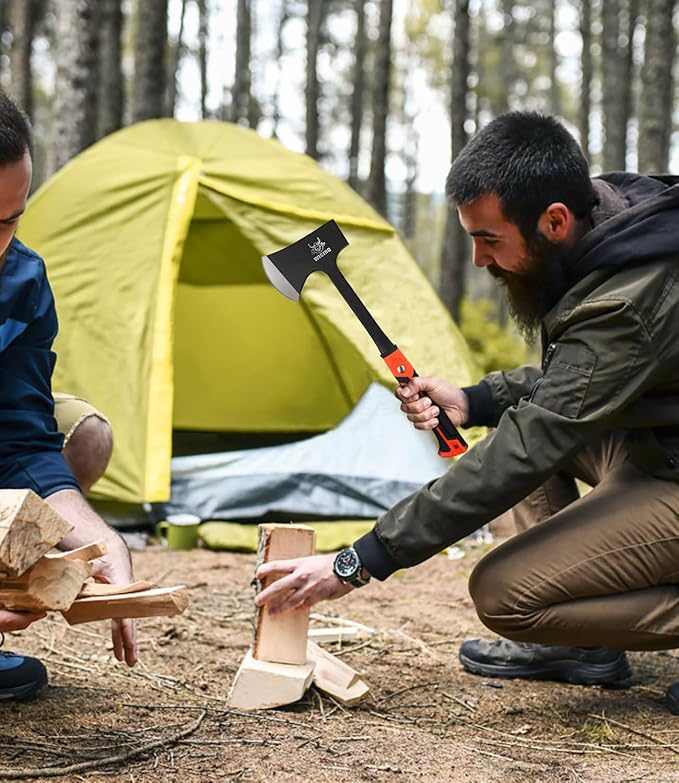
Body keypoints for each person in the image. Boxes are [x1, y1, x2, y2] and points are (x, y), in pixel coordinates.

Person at [255, 111, 679, 713]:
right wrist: (474, 400)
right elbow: (581, 382)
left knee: (505, 595)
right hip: (657, 442)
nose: (480, 260)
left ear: (554, 221)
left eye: (490, 240)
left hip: (670, 467)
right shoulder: (605, 220)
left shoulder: (631, 292)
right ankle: (585, 648)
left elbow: (541, 434)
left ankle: (583, 626)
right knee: (519, 430)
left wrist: (361, 560)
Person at [0, 91, 137, 701]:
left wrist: (95, 540)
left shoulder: (22, 280)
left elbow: (23, 433)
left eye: (8, 220)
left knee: (81, 433)